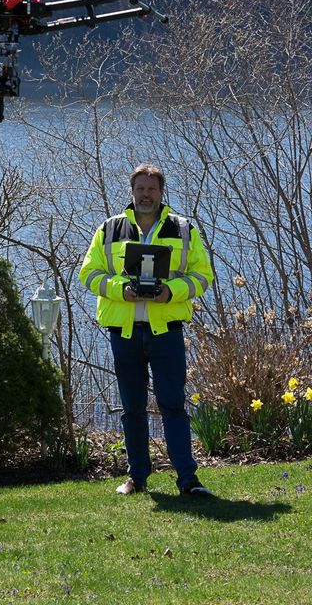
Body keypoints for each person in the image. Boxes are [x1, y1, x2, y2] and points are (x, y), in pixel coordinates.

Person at [79, 163, 214, 496]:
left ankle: (188, 480)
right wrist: (119, 290)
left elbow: (202, 277)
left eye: (151, 189)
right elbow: (89, 274)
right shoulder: (109, 229)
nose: (145, 195)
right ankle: (136, 478)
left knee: (173, 406)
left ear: (161, 192)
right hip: (123, 332)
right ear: (132, 191)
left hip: (166, 329)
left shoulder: (183, 229)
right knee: (132, 408)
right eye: (140, 188)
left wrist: (171, 292)